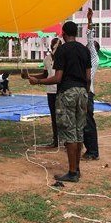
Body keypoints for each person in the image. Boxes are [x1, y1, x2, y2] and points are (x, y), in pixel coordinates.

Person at [25, 20, 90, 183]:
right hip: (83, 92)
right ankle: (77, 168)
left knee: (69, 132)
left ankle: (72, 172)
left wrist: (38, 82)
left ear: (63, 33)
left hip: (67, 92)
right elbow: (88, 77)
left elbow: (57, 77)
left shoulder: (62, 50)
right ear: (76, 33)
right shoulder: (84, 50)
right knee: (79, 131)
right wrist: (85, 94)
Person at [22, 37, 62, 147]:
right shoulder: (47, 59)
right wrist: (30, 77)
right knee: (54, 116)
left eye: (57, 46)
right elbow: (45, 75)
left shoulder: (63, 58)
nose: (55, 48)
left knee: (62, 117)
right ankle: (56, 140)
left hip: (61, 91)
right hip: (50, 92)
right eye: (54, 46)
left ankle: (66, 140)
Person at [82, 8, 100, 160]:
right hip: (83, 92)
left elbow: (89, 39)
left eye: (91, 46)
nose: (88, 46)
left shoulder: (93, 57)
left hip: (88, 93)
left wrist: (89, 21)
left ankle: (93, 152)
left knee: (88, 123)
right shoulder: (86, 60)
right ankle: (88, 149)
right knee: (83, 122)